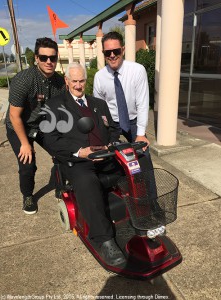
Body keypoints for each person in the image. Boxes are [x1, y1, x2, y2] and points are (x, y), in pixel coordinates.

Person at [43, 62, 127, 266]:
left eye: (82, 81)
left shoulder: (98, 103)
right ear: (66, 81)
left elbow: (115, 129)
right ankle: (105, 240)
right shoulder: (54, 106)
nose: (79, 86)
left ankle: (143, 214)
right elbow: (50, 140)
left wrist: (112, 143)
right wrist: (80, 152)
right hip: (78, 161)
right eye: (75, 81)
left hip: (105, 156)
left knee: (137, 164)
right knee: (87, 181)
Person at [6, 37, 66, 215]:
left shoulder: (60, 82)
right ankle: (28, 195)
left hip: (42, 125)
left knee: (63, 152)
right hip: (19, 126)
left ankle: (60, 185)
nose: (49, 61)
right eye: (44, 57)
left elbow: (62, 110)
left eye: (52, 58)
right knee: (27, 163)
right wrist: (25, 144)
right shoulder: (23, 80)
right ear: (36, 59)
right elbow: (14, 115)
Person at [93, 31, 153, 170]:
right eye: (108, 52)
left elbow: (143, 104)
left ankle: (148, 191)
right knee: (109, 160)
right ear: (103, 53)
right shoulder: (99, 77)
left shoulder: (137, 70)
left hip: (133, 121)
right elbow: (99, 109)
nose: (112, 55)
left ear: (123, 50)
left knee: (143, 156)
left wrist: (140, 134)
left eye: (116, 50)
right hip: (112, 122)